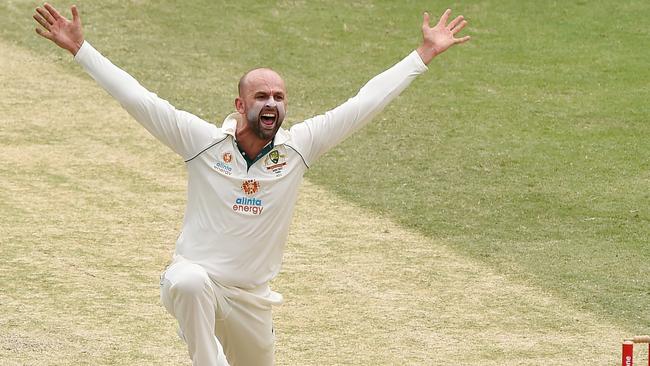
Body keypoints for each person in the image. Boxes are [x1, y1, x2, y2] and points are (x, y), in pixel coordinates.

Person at [33, 3, 470, 365]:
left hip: (252, 300)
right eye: (262, 96)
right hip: (195, 280)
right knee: (188, 282)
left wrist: (422, 55)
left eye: (279, 97)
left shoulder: (300, 147)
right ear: (241, 104)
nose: (272, 103)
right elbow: (138, 98)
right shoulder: (201, 141)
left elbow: (363, 104)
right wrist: (81, 49)